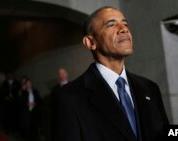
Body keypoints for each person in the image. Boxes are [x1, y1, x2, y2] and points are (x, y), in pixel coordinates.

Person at [52, 6, 169, 141]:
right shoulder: (69, 98)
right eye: (111, 24)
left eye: (125, 24)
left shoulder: (150, 88)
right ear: (90, 42)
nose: (124, 29)